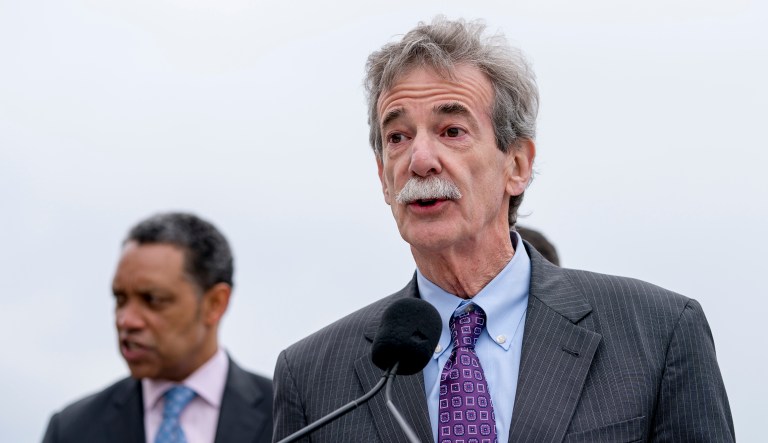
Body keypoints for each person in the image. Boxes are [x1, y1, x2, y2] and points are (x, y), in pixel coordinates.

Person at [273, 17, 734, 443]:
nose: (419, 160)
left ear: (517, 166)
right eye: (398, 137)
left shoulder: (659, 333)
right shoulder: (312, 377)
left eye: (451, 130)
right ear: (382, 177)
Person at [43, 212, 273, 443]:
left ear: (215, 303)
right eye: (120, 299)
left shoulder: (288, 414)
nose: (126, 320)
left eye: (152, 299)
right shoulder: (72, 430)